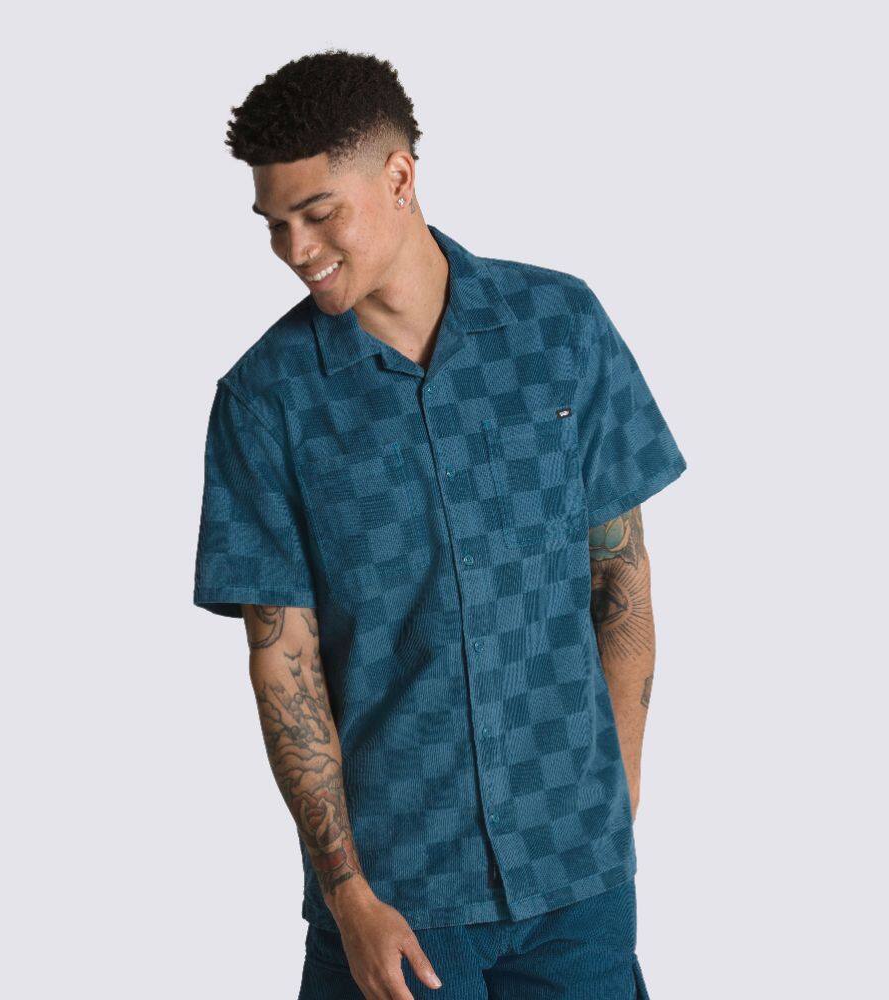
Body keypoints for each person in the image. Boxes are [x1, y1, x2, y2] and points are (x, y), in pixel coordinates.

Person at [193, 48, 686, 1000]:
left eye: (318, 213)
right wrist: (348, 895)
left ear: (399, 177)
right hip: (400, 899)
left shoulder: (559, 327)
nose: (295, 248)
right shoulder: (266, 401)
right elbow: (283, 661)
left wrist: (613, 804)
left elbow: (619, 578)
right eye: (275, 223)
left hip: (579, 889)